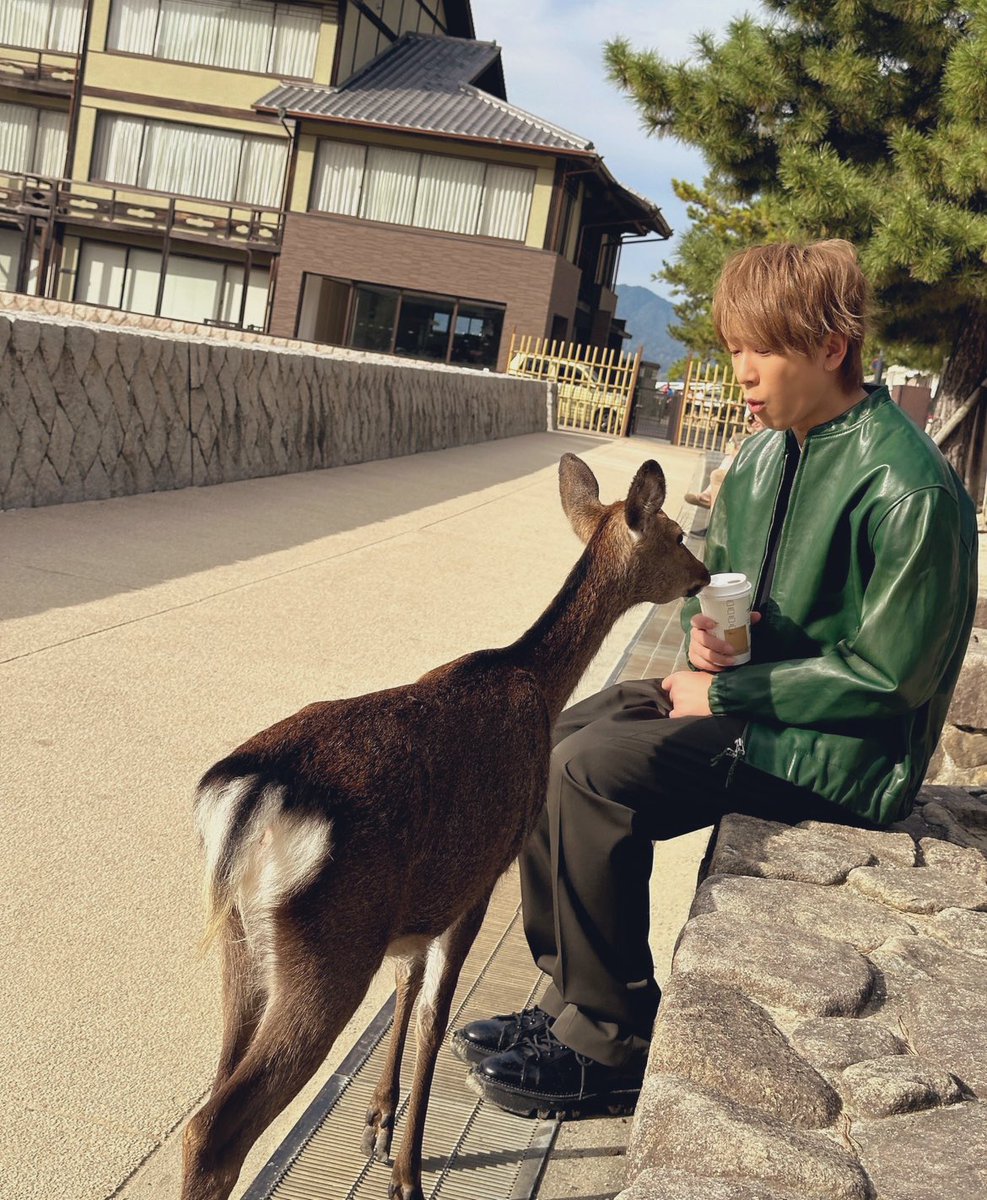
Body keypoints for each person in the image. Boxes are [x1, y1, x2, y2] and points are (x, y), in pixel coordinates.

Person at [452, 239, 979, 1119]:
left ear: (830, 346)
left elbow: (892, 678)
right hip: (764, 703)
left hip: (846, 754)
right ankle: (566, 996)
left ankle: (614, 1039)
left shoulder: (908, 489)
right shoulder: (764, 457)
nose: (740, 371)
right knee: (554, 737)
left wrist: (723, 692)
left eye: (759, 350)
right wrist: (711, 650)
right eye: (733, 348)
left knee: (592, 774)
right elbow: (737, 606)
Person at [684, 411, 766, 510]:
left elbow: (750, 461)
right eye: (751, 420)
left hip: (753, 475)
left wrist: (735, 452)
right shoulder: (753, 438)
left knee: (718, 475)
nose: (754, 422)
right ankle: (708, 496)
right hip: (746, 471)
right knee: (723, 466)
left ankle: (709, 500)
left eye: (756, 418)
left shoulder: (769, 439)